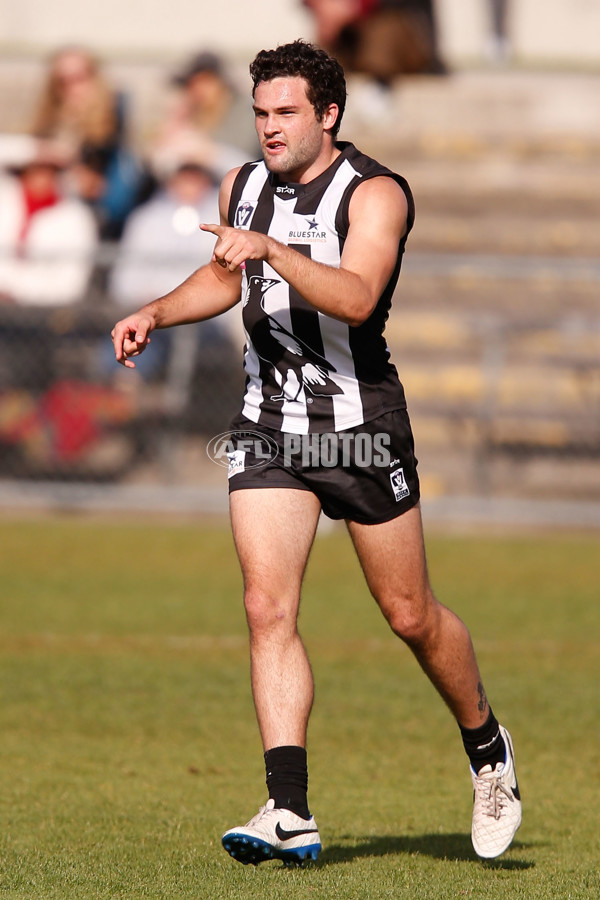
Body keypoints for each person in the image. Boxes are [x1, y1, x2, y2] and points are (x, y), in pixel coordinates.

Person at [111, 39, 521, 866]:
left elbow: (360, 297)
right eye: (260, 112)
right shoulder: (243, 185)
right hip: (267, 421)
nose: (267, 127)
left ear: (328, 114)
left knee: (409, 615)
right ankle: (287, 808)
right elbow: (226, 278)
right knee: (268, 607)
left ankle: (487, 748)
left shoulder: (375, 194)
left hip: (361, 426)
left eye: (285, 112)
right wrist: (156, 310)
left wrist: (274, 252)